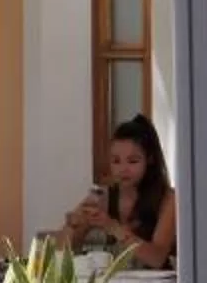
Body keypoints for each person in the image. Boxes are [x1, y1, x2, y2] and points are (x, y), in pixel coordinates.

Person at [61, 115, 175, 269]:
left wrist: (113, 227)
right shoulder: (102, 196)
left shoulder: (168, 199)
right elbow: (62, 251)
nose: (123, 169)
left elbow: (156, 258)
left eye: (133, 161)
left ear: (150, 159)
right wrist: (73, 227)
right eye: (116, 161)